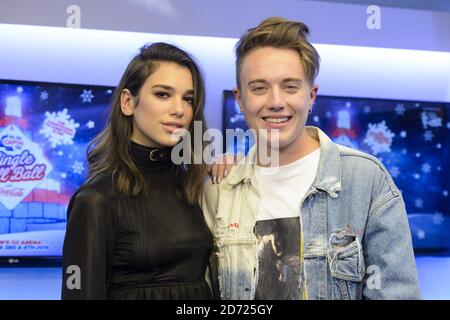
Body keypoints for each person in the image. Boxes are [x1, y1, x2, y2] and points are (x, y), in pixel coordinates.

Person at [201, 17, 421, 300]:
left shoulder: (365, 180)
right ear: (240, 99)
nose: (276, 101)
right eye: (259, 88)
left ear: (311, 95)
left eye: (290, 86)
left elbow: (397, 294)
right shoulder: (218, 189)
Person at [62, 42, 217, 300]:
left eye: (188, 99)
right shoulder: (96, 199)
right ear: (127, 102)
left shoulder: (193, 187)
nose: (179, 109)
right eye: (163, 94)